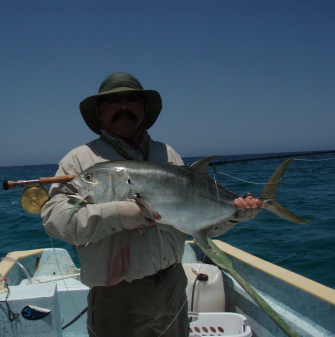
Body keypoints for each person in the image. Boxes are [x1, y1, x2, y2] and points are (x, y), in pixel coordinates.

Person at [41, 72, 262, 337]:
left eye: (132, 99)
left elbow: (193, 222)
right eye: (114, 101)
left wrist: (233, 215)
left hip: (173, 285)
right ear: (99, 111)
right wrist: (122, 213)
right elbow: (57, 222)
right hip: (117, 295)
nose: (123, 107)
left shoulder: (167, 154)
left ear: (144, 108)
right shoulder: (80, 160)